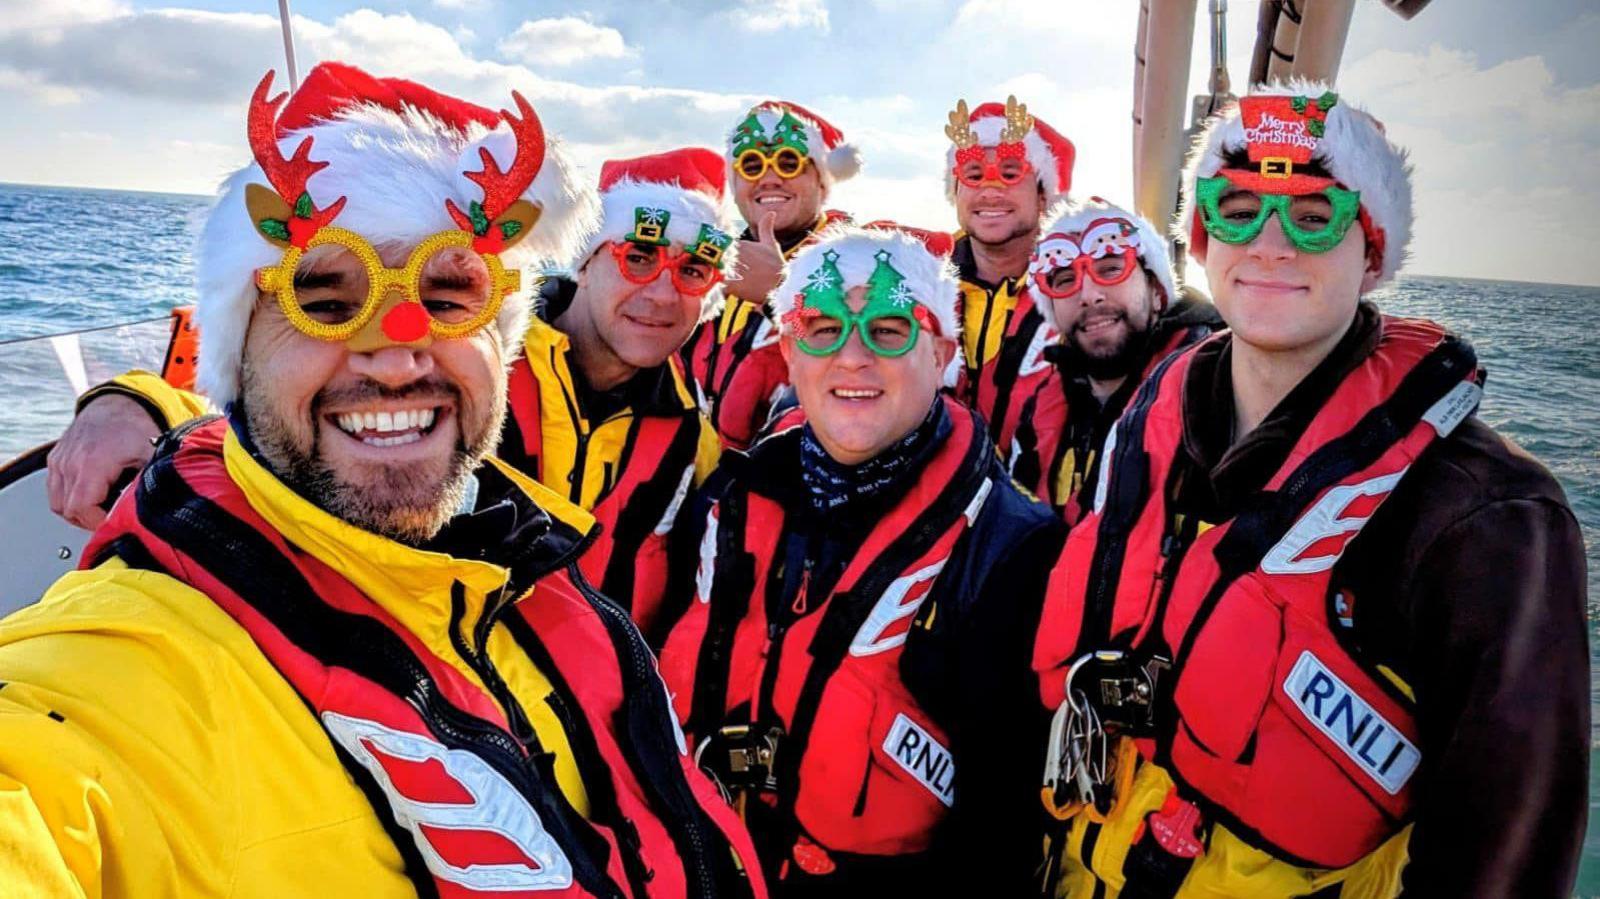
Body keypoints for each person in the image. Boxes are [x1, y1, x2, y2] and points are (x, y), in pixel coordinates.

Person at [0, 62, 765, 897]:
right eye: (324, 300)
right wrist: (131, 398)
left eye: (448, 294)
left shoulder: (683, 445)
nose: (399, 356)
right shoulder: (137, 664)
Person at [1032, 84, 1588, 897]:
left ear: (1372, 253)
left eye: (1313, 213)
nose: (1270, 244)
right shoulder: (1153, 417)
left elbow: (1506, 855)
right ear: (1199, 234)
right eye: (1238, 207)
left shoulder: (1486, 515)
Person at [46, 138, 735, 635]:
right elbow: (270, 426)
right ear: (586, 262)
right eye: (638, 258)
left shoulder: (693, 441)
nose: (663, 292)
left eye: (694, 272)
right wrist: (137, 401)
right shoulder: (481, 362)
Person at [658, 225, 1065, 896]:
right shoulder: (729, 498)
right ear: (789, 351)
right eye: (822, 330)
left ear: (942, 353)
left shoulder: (1012, 549)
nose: (852, 357)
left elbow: (1000, 834)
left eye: (888, 329)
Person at [1007, 198, 1221, 523]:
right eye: (1066, 280)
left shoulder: (1216, 394)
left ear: (1156, 292)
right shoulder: (1041, 411)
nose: (1089, 295)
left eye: (1110, 269)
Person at [679, 101, 858, 449]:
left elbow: (869, 364)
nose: (770, 177)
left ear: (822, 183)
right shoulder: (704, 263)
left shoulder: (861, 264)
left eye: (789, 162)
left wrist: (781, 291)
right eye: (751, 164)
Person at [942, 95, 1074, 450]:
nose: (990, 189)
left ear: (1044, 196)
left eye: (1011, 172)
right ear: (955, 192)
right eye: (972, 174)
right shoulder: (918, 283)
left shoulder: (1081, 290)